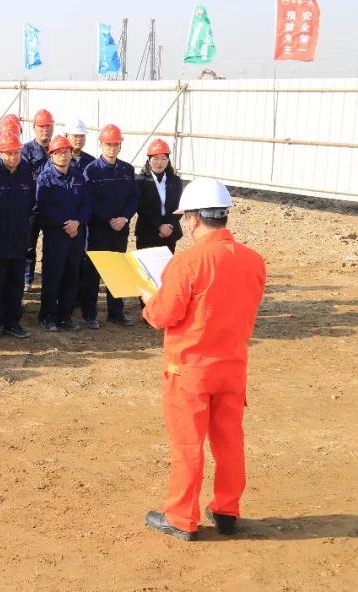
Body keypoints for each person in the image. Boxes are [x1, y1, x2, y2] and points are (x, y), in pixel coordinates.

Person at [139, 179, 266, 541]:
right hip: (232, 366)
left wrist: (149, 301)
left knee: (187, 445)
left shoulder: (188, 262)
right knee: (229, 442)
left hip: (190, 368)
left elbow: (164, 315)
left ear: (194, 219)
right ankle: (227, 510)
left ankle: (181, 517)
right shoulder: (253, 261)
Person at [81, 123, 139, 327]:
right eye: (108, 144)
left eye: (115, 144)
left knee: (118, 270)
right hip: (98, 229)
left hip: (120, 229)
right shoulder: (91, 170)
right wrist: (109, 219)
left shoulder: (127, 169)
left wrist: (125, 218)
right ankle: (89, 314)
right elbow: (89, 200)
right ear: (101, 145)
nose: (112, 148)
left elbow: (134, 198)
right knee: (93, 271)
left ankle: (116, 312)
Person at [0, 133, 33, 339]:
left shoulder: (26, 177)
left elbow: (32, 206)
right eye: (9, 153)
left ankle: (13, 323)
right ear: (0, 154)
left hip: (19, 239)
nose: (14, 157)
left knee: (16, 284)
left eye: (16, 153)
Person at [36, 136, 91, 332]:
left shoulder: (78, 177)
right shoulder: (45, 179)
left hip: (76, 235)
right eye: (58, 153)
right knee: (53, 276)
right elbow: (44, 206)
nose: (63, 156)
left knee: (71, 275)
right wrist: (64, 224)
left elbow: (86, 204)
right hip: (56, 235)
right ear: (51, 155)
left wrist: (78, 222)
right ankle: (48, 316)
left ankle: (65, 316)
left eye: (66, 152)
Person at [20, 109, 56, 289]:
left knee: (53, 244)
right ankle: (27, 278)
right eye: (41, 126)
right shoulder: (26, 150)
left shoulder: (58, 148)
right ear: (34, 127)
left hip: (53, 206)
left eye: (48, 126)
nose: (45, 130)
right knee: (28, 244)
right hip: (32, 206)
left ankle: (50, 278)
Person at [135, 138, 184, 253]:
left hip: (169, 233)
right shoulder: (140, 181)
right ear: (149, 160)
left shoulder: (175, 180)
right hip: (147, 232)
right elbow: (141, 207)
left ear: (168, 160)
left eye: (163, 158)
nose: (159, 163)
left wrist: (169, 225)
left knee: (167, 264)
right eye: (155, 158)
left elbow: (179, 206)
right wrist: (159, 226)